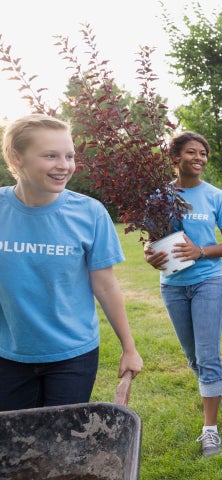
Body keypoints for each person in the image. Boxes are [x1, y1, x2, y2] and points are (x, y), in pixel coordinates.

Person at [0, 114, 143, 411]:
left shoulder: (90, 213)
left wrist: (129, 348)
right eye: (50, 155)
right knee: (15, 447)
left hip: (73, 355)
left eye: (69, 156)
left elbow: (105, 286)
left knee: (62, 446)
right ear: (17, 157)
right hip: (9, 354)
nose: (64, 165)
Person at [144, 131, 222, 457]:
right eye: (192, 153)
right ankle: (215, 389)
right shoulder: (158, 197)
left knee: (208, 356)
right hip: (172, 287)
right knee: (193, 357)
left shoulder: (216, 197)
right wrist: (150, 253)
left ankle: (209, 430)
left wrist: (200, 251)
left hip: (208, 282)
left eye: (203, 154)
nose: (199, 158)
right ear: (175, 158)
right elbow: (153, 242)